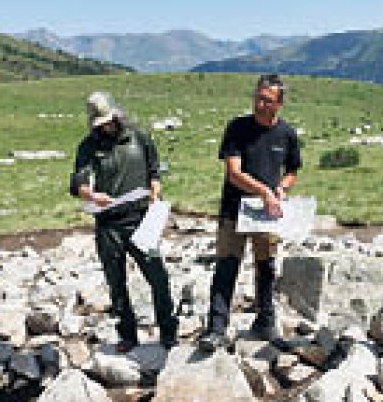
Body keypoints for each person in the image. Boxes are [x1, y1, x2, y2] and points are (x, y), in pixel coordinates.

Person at [197, 74, 302, 352]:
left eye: (267, 100)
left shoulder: (287, 134)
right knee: (227, 265)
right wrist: (264, 192)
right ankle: (216, 328)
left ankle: (265, 321)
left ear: (279, 104)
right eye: (257, 97)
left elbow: (292, 171)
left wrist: (280, 188)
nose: (259, 103)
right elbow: (234, 173)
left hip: (267, 213)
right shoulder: (238, 128)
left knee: (266, 266)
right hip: (235, 209)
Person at [69, 91, 177, 353]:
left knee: (158, 278)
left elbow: (154, 170)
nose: (106, 127)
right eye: (100, 124)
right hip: (108, 223)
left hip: (141, 219)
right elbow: (78, 183)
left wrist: (155, 190)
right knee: (116, 283)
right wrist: (93, 195)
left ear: (117, 116)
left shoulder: (140, 137)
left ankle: (168, 332)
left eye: (109, 121)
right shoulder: (88, 146)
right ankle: (127, 334)